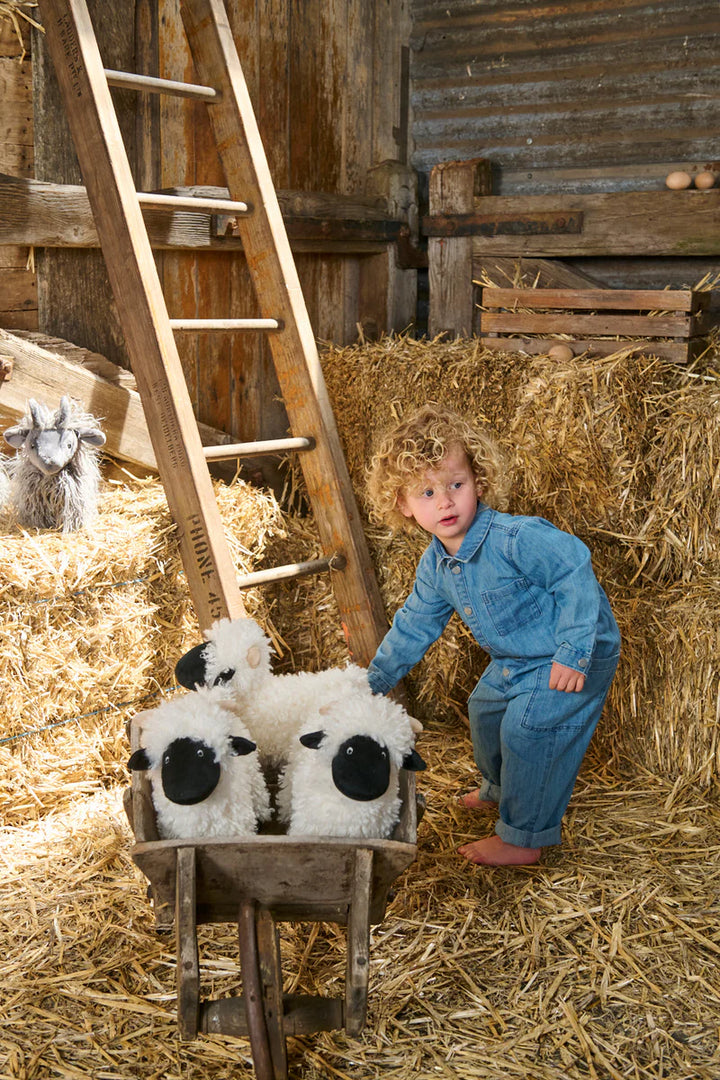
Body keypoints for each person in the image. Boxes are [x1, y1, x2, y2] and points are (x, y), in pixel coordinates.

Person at [365, 404, 620, 866]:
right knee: (484, 710)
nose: (444, 502)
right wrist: (370, 683)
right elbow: (415, 624)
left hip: (572, 648)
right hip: (519, 659)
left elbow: (574, 572)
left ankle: (524, 837)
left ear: (478, 483)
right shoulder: (435, 565)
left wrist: (573, 649)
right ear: (403, 505)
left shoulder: (515, 538)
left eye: (455, 485)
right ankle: (502, 788)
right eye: (426, 492)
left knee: (529, 729)